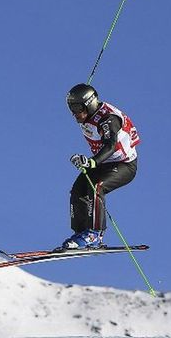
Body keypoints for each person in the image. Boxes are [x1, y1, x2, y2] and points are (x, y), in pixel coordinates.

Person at [62, 83, 140, 250]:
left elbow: (110, 146)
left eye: (76, 107)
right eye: (71, 108)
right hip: (104, 163)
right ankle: (81, 233)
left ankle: (94, 234)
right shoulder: (87, 113)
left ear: (89, 103)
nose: (74, 113)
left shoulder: (108, 120)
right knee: (78, 188)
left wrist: (92, 162)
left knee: (97, 187)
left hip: (124, 165)